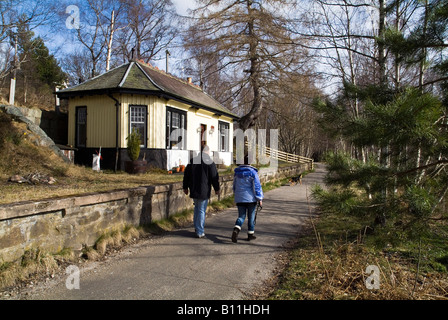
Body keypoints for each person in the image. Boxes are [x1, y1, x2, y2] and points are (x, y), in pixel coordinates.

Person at [183, 145, 220, 238]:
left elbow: (186, 174)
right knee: (201, 210)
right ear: (207, 152)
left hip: (194, 188)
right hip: (204, 189)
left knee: (197, 208)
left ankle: (196, 227)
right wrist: (217, 189)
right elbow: (214, 177)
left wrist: (185, 187)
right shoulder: (210, 162)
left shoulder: (193, 161)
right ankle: (200, 231)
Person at [231, 156, 263, 243]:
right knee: (251, 217)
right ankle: (250, 235)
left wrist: (236, 194)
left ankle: (236, 229)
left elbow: (234, 186)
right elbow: (256, 187)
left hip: (240, 198)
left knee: (241, 216)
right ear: (251, 162)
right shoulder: (252, 172)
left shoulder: (237, 173)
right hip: (250, 199)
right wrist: (259, 198)